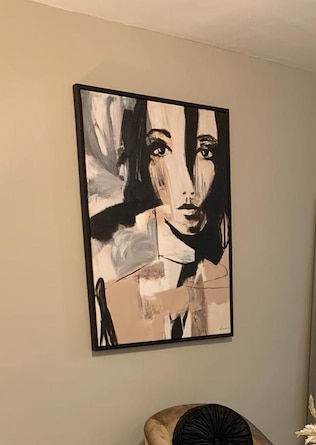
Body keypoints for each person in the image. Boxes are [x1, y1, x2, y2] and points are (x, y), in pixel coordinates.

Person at [85, 94, 231, 347]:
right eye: (160, 150)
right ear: (141, 159)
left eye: (205, 152)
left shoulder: (222, 270)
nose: (188, 185)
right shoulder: (114, 280)